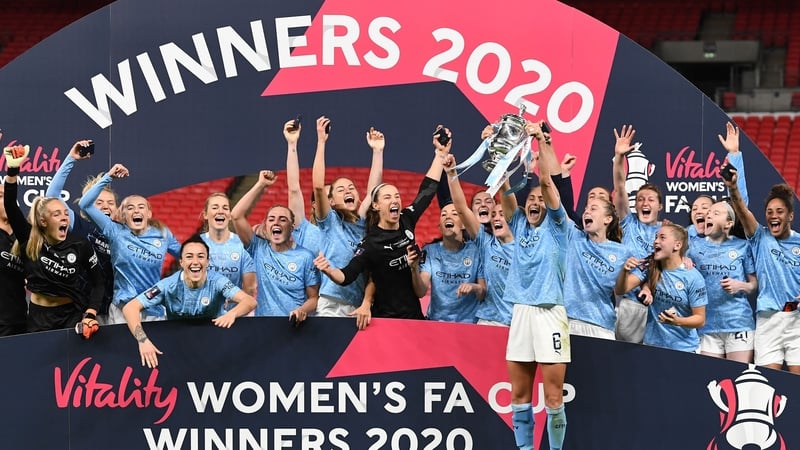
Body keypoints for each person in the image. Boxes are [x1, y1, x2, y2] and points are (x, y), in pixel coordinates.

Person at [313, 127, 451, 320]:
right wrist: (328, 270)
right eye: (387, 196)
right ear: (376, 205)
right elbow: (347, 275)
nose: (394, 199)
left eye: (397, 196)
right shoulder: (369, 242)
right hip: (376, 317)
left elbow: (426, 193)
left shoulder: (403, 219)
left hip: (410, 316)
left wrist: (440, 155)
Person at [503, 121, 568, 450]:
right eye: (530, 199)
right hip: (521, 313)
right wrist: (498, 148)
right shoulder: (517, 222)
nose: (535, 202)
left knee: (553, 397)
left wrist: (540, 140)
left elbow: (544, 180)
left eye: (541, 200)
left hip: (550, 315)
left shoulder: (559, 226)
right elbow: (502, 186)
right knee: (519, 395)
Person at [3, 144, 103, 335]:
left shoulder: (80, 245)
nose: (65, 217)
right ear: (43, 221)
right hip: (37, 317)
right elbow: (10, 204)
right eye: (57, 214)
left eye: (66, 213)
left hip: (71, 316)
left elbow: (98, 282)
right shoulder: (29, 239)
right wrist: (13, 170)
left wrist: (90, 313)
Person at [123, 235, 257, 368]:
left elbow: (249, 301)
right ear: (181, 262)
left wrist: (231, 314)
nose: (195, 262)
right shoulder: (167, 286)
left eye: (200, 256)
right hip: (179, 347)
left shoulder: (218, 282)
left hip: (215, 346)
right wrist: (142, 340)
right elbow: (130, 308)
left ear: (207, 261)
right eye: (189, 256)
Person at [78, 164, 181, 324]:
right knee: (121, 349)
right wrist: (109, 176)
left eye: (141, 207)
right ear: (123, 214)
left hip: (153, 309)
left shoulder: (162, 233)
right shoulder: (114, 230)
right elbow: (85, 204)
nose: (136, 211)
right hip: (122, 310)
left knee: (152, 349)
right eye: (130, 208)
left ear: (149, 213)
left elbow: (187, 256)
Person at [725, 168, 800, 373]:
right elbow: (741, 209)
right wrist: (732, 187)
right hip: (768, 321)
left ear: (790, 216)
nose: (773, 216)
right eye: (769, 212)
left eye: (779, 211)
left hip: (798, 320)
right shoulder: (760, 237)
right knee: (769, 381)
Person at [310, 117, 384, 321]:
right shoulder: (329, 221)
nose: (348, 191)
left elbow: (374, 190)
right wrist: (321, 142)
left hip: (358, 304)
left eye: (351, 188)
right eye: (341, 190)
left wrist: (377, 152)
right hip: (331, 302)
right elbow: (318, 186)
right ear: (331, 201)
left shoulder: (364, 223)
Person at [231, 170, 320, 323]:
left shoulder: (305, 256)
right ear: (266, 225)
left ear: (292, 227)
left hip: (294, 327)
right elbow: (236, 215)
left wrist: (302, 310)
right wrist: (261, 184)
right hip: (263, 326)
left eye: (282, 219)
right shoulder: (258, 248)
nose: (276, 222)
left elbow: (314, 298)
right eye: (271, 219)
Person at [45, 140, 116, 324]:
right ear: (86, 207)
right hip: (82, 311)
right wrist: (71, 159)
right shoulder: (78, 224)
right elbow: (52, 197)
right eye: (98, 203)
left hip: (115, 310)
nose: (106, 207)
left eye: (111, 203)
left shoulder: (121, 232)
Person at [615, 223, 708, 353]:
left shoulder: (694, 278)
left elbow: (700, 319)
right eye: (656, 237)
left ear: (677, 245)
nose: (656, 241)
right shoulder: (650, 265)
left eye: (662, 238)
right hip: (651, 345)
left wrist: (677, 321)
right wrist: (625, 271)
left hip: (683, 349)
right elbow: (620, 290)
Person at [445, 155, 515, 326]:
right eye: (493, 215)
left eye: (501, 214)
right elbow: (461, 209)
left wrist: (503, 173)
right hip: (489, 321)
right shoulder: (486, 242)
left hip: (518, 323)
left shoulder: (526, 246)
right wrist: (452, 173)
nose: (496, 218)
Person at [612, 124, 664, 343]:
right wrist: (618, 157)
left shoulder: (666, 232)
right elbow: (620, 187)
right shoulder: (628, 221)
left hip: (652, 307)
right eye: (641, 199)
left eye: (650, 200)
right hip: (622, 302)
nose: (644, 203)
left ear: (660, 206)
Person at [687, 200, 757, 362]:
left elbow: (754, 285)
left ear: (728, 223)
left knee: (738, 380)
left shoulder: (742, 246)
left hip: (738, 323)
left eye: (715, 213)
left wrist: (740, 285)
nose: (708, 215)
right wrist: (683, 259)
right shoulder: (693, 246)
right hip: (706, 325)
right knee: (710, 379)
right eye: (708, 213)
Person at [565, 197, 630, 340]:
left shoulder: (622, 252)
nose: (586, 212)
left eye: (593, 209)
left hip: (601, 326)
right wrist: (546, 177)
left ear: (607, 219)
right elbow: (556, 204)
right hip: (568, 322)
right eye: (585, 209)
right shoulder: (574, 237)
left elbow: (621, 289)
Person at [412, 202, 486, 322]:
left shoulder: (476, 251)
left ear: (463, 224)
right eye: (443, 214)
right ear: (440, 227)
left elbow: (482, 293)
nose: (448, 217)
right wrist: (414, 268)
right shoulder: (430, 251)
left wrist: (473, 287)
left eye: (454, 214)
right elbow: (421, 292)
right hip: (437, 322)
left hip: (469, 323)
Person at [199, 192, 257, 316]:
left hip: (236, 316)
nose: (220, 211)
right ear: (205, 214)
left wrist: (231, 303)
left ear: (230, 215)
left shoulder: (243, 245)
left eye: (225, 208)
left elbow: (250, 289)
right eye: (215, 207)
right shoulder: (195, 245)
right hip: (202, 315)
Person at [0, 182, 27, 335]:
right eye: (1, 196)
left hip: (21, 320)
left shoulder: (24, 237)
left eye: (9, 196)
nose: (7, 199)